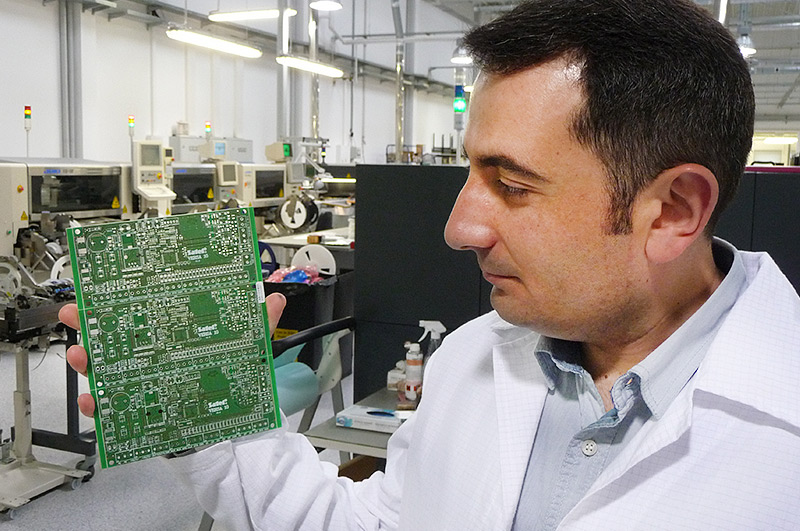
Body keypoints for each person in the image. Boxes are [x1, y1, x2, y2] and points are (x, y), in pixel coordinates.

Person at [61, 0, 800, 528]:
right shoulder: (473, 358)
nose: (458, 227)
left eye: (513, 185)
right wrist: (208, 421)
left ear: (671, 210)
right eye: (469, 172)